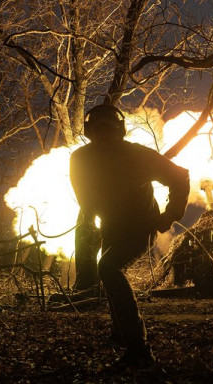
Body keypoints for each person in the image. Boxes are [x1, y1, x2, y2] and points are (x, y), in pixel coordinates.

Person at [70, 104, 190, 368]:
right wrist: (89, 224)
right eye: (98, 130)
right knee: (108, 271)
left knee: (109, 269)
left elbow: (179, 177)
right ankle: (119, 334)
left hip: (140, 227)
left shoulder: (138, 156)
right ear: (90, 132)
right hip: (111, 228)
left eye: (108, 130)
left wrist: (169, 216)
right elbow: (85, 198)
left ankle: (139, 348)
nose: (103, 137)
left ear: (120, 131)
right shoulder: (80, 159)